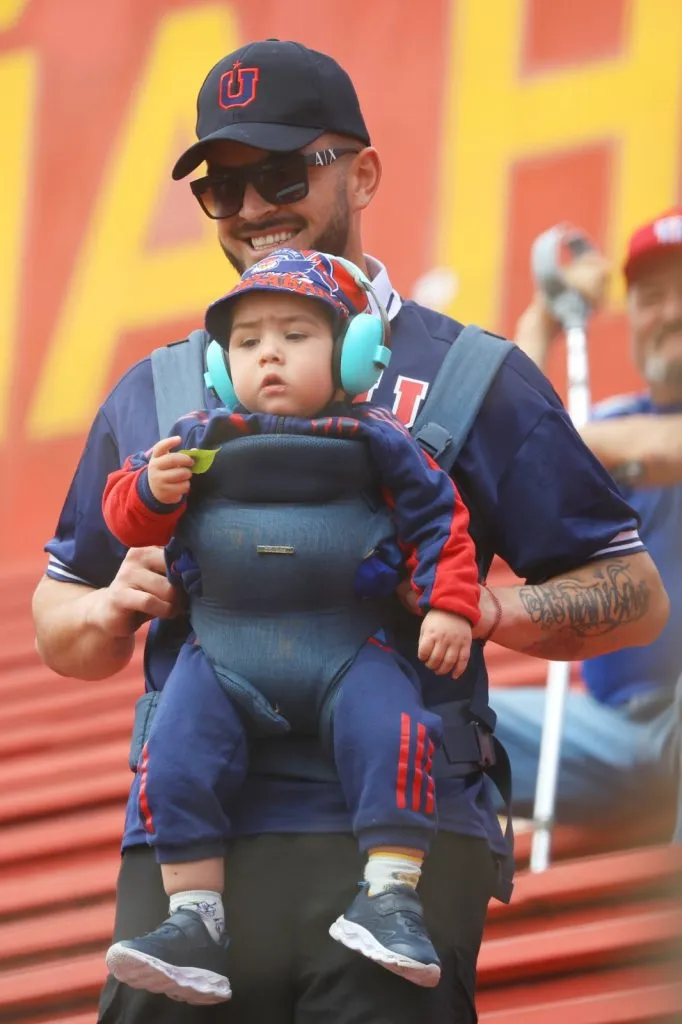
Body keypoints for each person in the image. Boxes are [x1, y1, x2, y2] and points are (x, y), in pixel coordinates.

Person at [31, 39, 668, 1024]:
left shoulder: (477, 378)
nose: (251, 208)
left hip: (410, 843)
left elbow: (632, 594)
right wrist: (110, 606)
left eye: (282, 173)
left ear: (363, 174)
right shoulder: (155, 390)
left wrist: (490, 608)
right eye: (222, 187)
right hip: (191, 844)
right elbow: (58, 613)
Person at [101, 248, 481, 1002]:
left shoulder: (380, 439)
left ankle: (391, 895)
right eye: (248, 341)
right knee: (174, 750)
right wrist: (149, 490)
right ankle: (192, 916)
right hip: (221, 655)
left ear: (353, 355)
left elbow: (441, 519)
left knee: (397, 730)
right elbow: (125, 516)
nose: (269, 353)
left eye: (295, 335)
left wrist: (449, 605)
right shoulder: (195, 435)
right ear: (221, 365)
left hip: (346, 648)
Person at [495, 212, 682, 831]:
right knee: (418, 715)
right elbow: (502, 458)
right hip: (610, 731)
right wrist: (542, 318)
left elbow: (662, 447)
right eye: (652, 298)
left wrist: (567, 445)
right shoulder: (613, 421)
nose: (672, 312)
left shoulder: (602, 435)